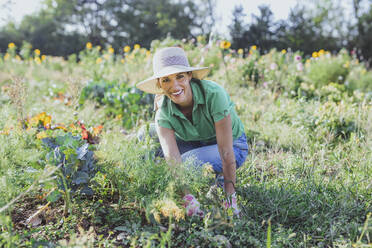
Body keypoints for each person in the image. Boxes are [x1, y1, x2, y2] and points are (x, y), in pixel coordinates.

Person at [136, 47, 249, 216]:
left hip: (232, 147)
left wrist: (230, 200)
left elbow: (226, 151)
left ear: (189, 75)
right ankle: (178, 183)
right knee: (145, 134)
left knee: (188, 163)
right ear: (159, 83)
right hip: (196, 142)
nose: (174, 86)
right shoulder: (163, 112)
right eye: (166, 80)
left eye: (180, 76)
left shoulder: (213, 94)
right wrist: (189, 201)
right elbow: (173, 161)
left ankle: (219, 180)